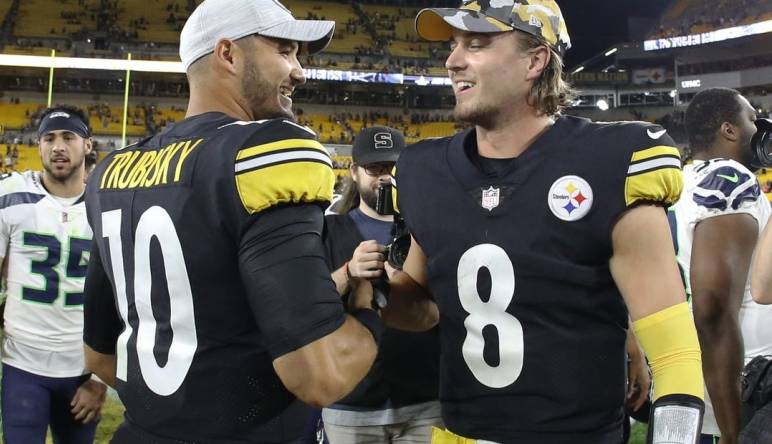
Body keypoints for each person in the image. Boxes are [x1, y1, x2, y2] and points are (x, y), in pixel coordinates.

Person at [383, 1, 707, 442]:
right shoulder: (425, 170)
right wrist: (373, 290)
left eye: (476, 44)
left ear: (535, 60)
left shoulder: (609, 161)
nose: (453, 60)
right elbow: (422, 307)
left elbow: (675, 356)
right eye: (455, 45)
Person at [81, 0, 382, 443]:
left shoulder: (113, 172)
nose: (300, 71)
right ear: (228, 54)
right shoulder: (264, 152)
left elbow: (99, 356)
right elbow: (321, 376)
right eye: (284, 50)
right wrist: (370, 310)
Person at [0, 105, 107, 444]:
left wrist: (102, 380)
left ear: (87, 144)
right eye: (49, 138)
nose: (58, 147)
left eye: (69, 137)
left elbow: (128, 301)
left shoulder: (108, 206)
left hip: (82, 371)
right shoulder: (11, 198)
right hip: (23, 366)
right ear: (38, 145)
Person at [322, 126, 442, 443]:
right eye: (374, 168)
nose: (384, 177)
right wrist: (349, 271)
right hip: (351, 398)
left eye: (392, 168)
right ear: (354, 171)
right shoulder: (329, 229)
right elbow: (311, 302)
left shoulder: (426, 228)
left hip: (424, 394)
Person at [670, 87, 772, 444]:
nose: (759, 128)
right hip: (741, 385)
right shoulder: (730, 180)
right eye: (750, 119)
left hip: (694, 378)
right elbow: (712, 308)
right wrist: (733, 431)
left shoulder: (682, 179)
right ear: (729, 130)